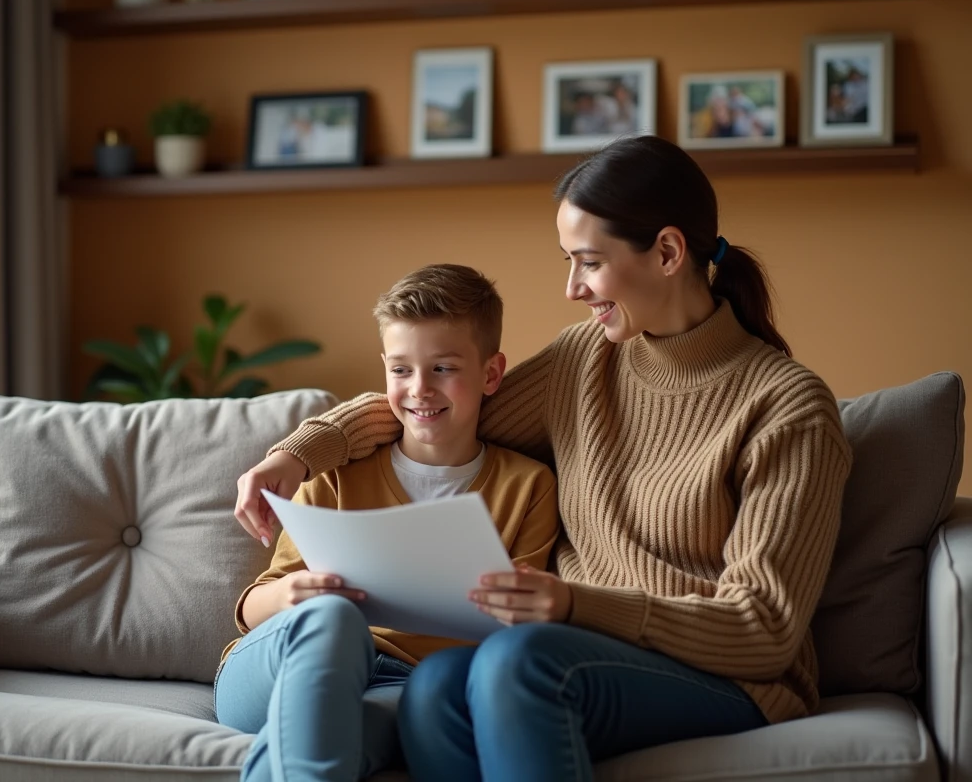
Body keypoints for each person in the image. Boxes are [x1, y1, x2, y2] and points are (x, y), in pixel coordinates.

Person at [234, 134, 853, 780]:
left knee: (514, 662)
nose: (571, 288)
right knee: (435, 685)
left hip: (727, 678)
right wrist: (304, 450)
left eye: (587, 262)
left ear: (667, 252)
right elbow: (439, 410)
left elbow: (765, 628)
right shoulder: (583, 360)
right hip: (574, 648)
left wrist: (574, 605)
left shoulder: (788, 407)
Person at [215, 264, 561, 782]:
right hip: (280, 664)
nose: (419, 389)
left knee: (338, 738)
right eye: (401, 370)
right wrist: (293, 596)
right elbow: (251, 609)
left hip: (403, 685)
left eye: (443, 368)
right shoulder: (332, 473)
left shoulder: (527, 486)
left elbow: (518, 624)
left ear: (491, 374)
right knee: (334, 621)